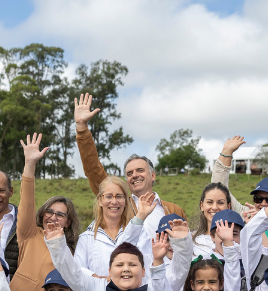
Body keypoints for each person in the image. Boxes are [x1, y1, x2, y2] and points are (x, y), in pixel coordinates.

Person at [74, 93, 186, 239]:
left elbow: (185, 246)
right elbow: (93, 170)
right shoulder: (119, 205)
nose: (134, 175)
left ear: (153, 175)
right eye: (129, 173)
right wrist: (82, 129)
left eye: (140, 170)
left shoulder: (173, 210)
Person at [74, 177, 157, 279]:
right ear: (100, 200)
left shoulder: (141, 233)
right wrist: (98, 280)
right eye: (108, 196)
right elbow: (77, 271)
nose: (114, 201)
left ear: (125, 201)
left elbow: (147, 270)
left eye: (119, 196)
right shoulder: (86, 238)